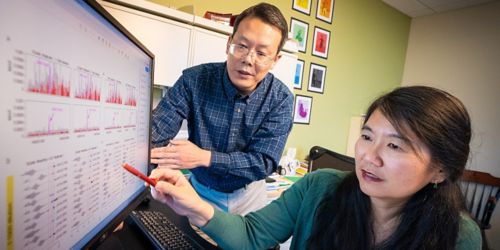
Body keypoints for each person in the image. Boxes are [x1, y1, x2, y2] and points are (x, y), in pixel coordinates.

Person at [148, 86, 482, 249]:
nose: (369, 156)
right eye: (367, 136)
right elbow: (251, 235)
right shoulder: (318, 187)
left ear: (440, 170)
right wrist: (193, 205)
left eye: (394, 145)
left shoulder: (459, 235)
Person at [150, 3, 293, 215]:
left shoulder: (281, 99)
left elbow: (263, 162)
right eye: (241, 46)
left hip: (250, 198)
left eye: (262, 53)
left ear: (275, 60)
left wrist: (204, 157)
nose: (247, 59)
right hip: (198, 192)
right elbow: (153, 134)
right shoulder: (194, 81)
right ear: (229, 44)